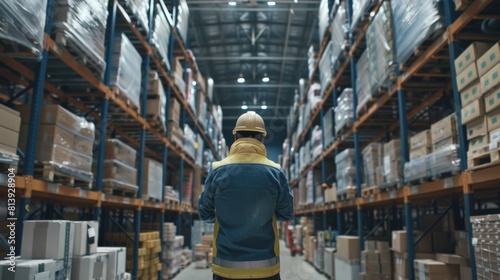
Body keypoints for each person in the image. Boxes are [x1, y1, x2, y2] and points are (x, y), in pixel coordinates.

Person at [199, 111, 294, 280]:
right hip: (266, 269)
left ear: (235, 137)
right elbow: (286, 213)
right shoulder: (275, 172)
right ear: (262, 138)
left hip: (225, 269)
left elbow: (205, 213)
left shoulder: (217, 170)